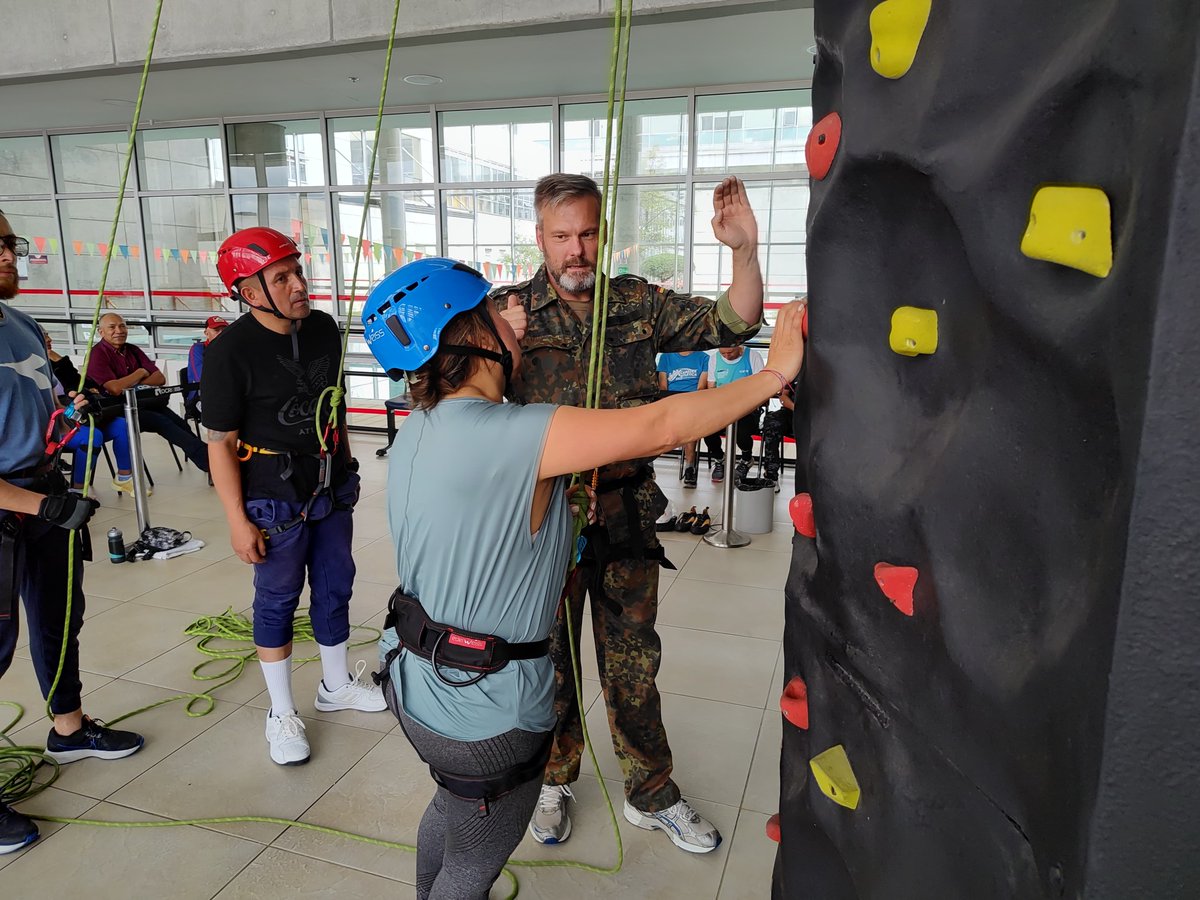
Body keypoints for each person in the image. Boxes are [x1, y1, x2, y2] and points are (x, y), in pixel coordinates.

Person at [364, 257, 806, 898]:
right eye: (495, 311)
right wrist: (773, 374)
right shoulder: (517, 434)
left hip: (413, 685)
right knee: (474, 863)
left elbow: (487, 534)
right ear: (469, 336)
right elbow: (663, 424)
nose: (510, 320)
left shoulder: (417, 431)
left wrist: (565, 519)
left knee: (454, 812)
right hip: (485, 715)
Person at [493, 172, 765, 852]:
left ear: (601, 232)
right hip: (545, 517)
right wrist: (502, 341)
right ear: (540, 238)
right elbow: (446, 393)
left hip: (625, 515)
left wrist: (743, 252)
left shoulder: (638, 304)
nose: (576, 250)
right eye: (561, 237)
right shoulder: (507, 311)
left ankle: (652, 791)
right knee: (548, 661)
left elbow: (736, 320)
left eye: (587, 233)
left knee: (632, 663)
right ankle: (552, 778)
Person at [202, 226, 384, 767]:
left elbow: (335, 405)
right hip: (272, 496)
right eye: (282, 277)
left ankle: (334, 685)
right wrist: (237, 520)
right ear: (249, 291)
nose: (299, 284)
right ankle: (281, 711)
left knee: (335, 584)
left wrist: (347, 467)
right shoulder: (230, 352)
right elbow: (221, 442)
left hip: (329, 485)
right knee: (277, 599)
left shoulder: (323, 329)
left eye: (298, 271)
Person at [0, 213, 144, 856]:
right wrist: (39, 506)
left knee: (60, 620)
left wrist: (69, 409)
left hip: (43, 492)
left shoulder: (20, 322)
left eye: (11, 242)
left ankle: (68, 726)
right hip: (12, 504)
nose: (11, 255)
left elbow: (45, 399)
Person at [86, 312, 210, 474]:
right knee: (161, 422)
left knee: (180, 424)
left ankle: (211, 461)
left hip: (143, 403)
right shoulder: (97, 354)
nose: (119, 330)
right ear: (101, 332)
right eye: (112, 327)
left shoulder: (133, 349)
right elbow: (114, 389)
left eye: (122, 326)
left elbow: (159, 378)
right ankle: (212, 465)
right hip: (117, 411)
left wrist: (131, 383)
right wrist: (140, 373)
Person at [39, 325, 136, 495]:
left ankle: (124, 477)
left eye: (48, 334)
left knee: (122, 424)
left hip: (77, 415)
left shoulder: (55, 362)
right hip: (53, 426)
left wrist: (59, 361)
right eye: (43, 336)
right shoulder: (30, 370)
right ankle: (77, 491)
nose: (49, 339)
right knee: (93, 436)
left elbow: (78, 383)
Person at [703, 344, 766, 483]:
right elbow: (711, 388)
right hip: (722, 408)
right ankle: (720, 459)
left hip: (748, 408)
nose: (726, 356)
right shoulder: (714, 359)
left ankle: (746, 459)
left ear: (738, 346)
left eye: (730, 352)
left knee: (741, 429)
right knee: (706, 429)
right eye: (723, 353)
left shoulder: (753, 356)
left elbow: (761, 387)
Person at [655, 351, 708, 487]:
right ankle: (647, 464)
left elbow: (701, 388)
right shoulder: (666, 357)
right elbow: (663, 386)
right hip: (670, 401)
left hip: (691, 403)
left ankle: (689, 466)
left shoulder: (703, 358)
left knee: (689, 423)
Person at [185, 315, 228, 415]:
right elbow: (202, 378)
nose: (221, 334)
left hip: (227, 394)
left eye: (224, 330)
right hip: (200, 397)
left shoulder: (231, 349)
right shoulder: (198, 349)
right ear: (206, 333)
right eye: (216, 330)